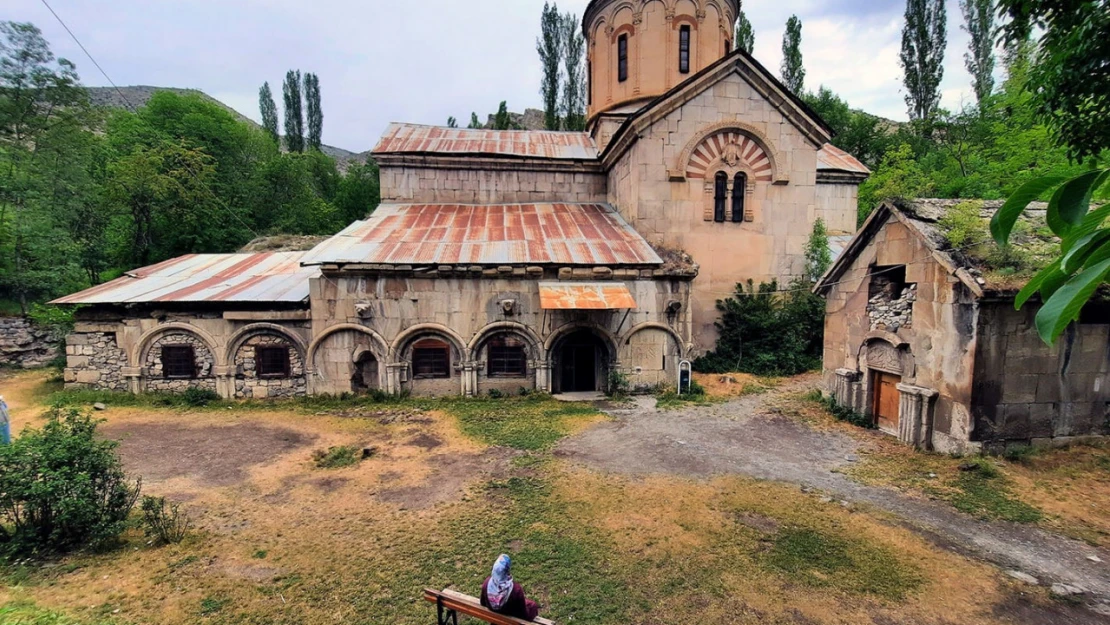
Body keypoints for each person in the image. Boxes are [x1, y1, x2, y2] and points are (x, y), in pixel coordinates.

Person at [480, 554, 539, 621]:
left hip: (495, 616)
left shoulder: (486, 583)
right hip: (510, 617)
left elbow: (483, 603)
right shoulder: (516, 590)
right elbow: (523, 613)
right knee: (533, 605)